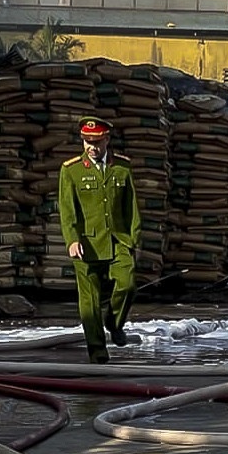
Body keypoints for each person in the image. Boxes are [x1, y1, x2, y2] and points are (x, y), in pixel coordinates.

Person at [57, 118, 140, 363]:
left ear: (107, 139)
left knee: (128, 284)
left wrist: (133, 238)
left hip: (118, 240)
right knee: (89, 300)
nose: (91, 147)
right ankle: (97, 350)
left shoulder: (122, 167)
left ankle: (114, 322)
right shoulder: (71, 170)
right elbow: (67, 210)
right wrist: (72, 239)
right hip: (87, 244)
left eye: (96, 142)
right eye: (87, 142)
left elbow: (131, 207)